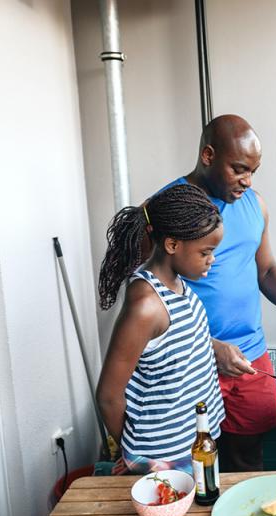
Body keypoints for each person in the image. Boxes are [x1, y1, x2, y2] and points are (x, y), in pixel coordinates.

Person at [159, 115, 276, 472]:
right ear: (208, 155)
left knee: (248, 459)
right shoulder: (166, 210)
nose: (247, 181)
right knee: (192, 465)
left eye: (253, 171)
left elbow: (265, 270)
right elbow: (150, 298)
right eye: (239, 169)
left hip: (250, 357)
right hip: (190, 361)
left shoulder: (256, 205)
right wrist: (208, 347)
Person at [96, 183, 227, 475]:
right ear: (172, 245)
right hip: (165, 457)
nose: (212, 259)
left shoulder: (179, 283)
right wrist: (137, 455)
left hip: (195, 441)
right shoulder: (146, 305)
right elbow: (108, 395)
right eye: (206, 252)